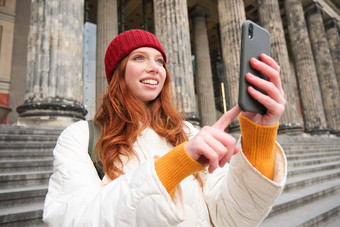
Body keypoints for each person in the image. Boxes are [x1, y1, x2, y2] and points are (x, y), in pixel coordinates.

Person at [43, 29, 287, 226]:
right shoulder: (79, 137)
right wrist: (176, 165)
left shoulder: (188, 134)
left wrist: (258, 139)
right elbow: (70, 219)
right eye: (139, 58)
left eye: (159, 61)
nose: (155, 67)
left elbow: (231, 218)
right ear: (118, 71)